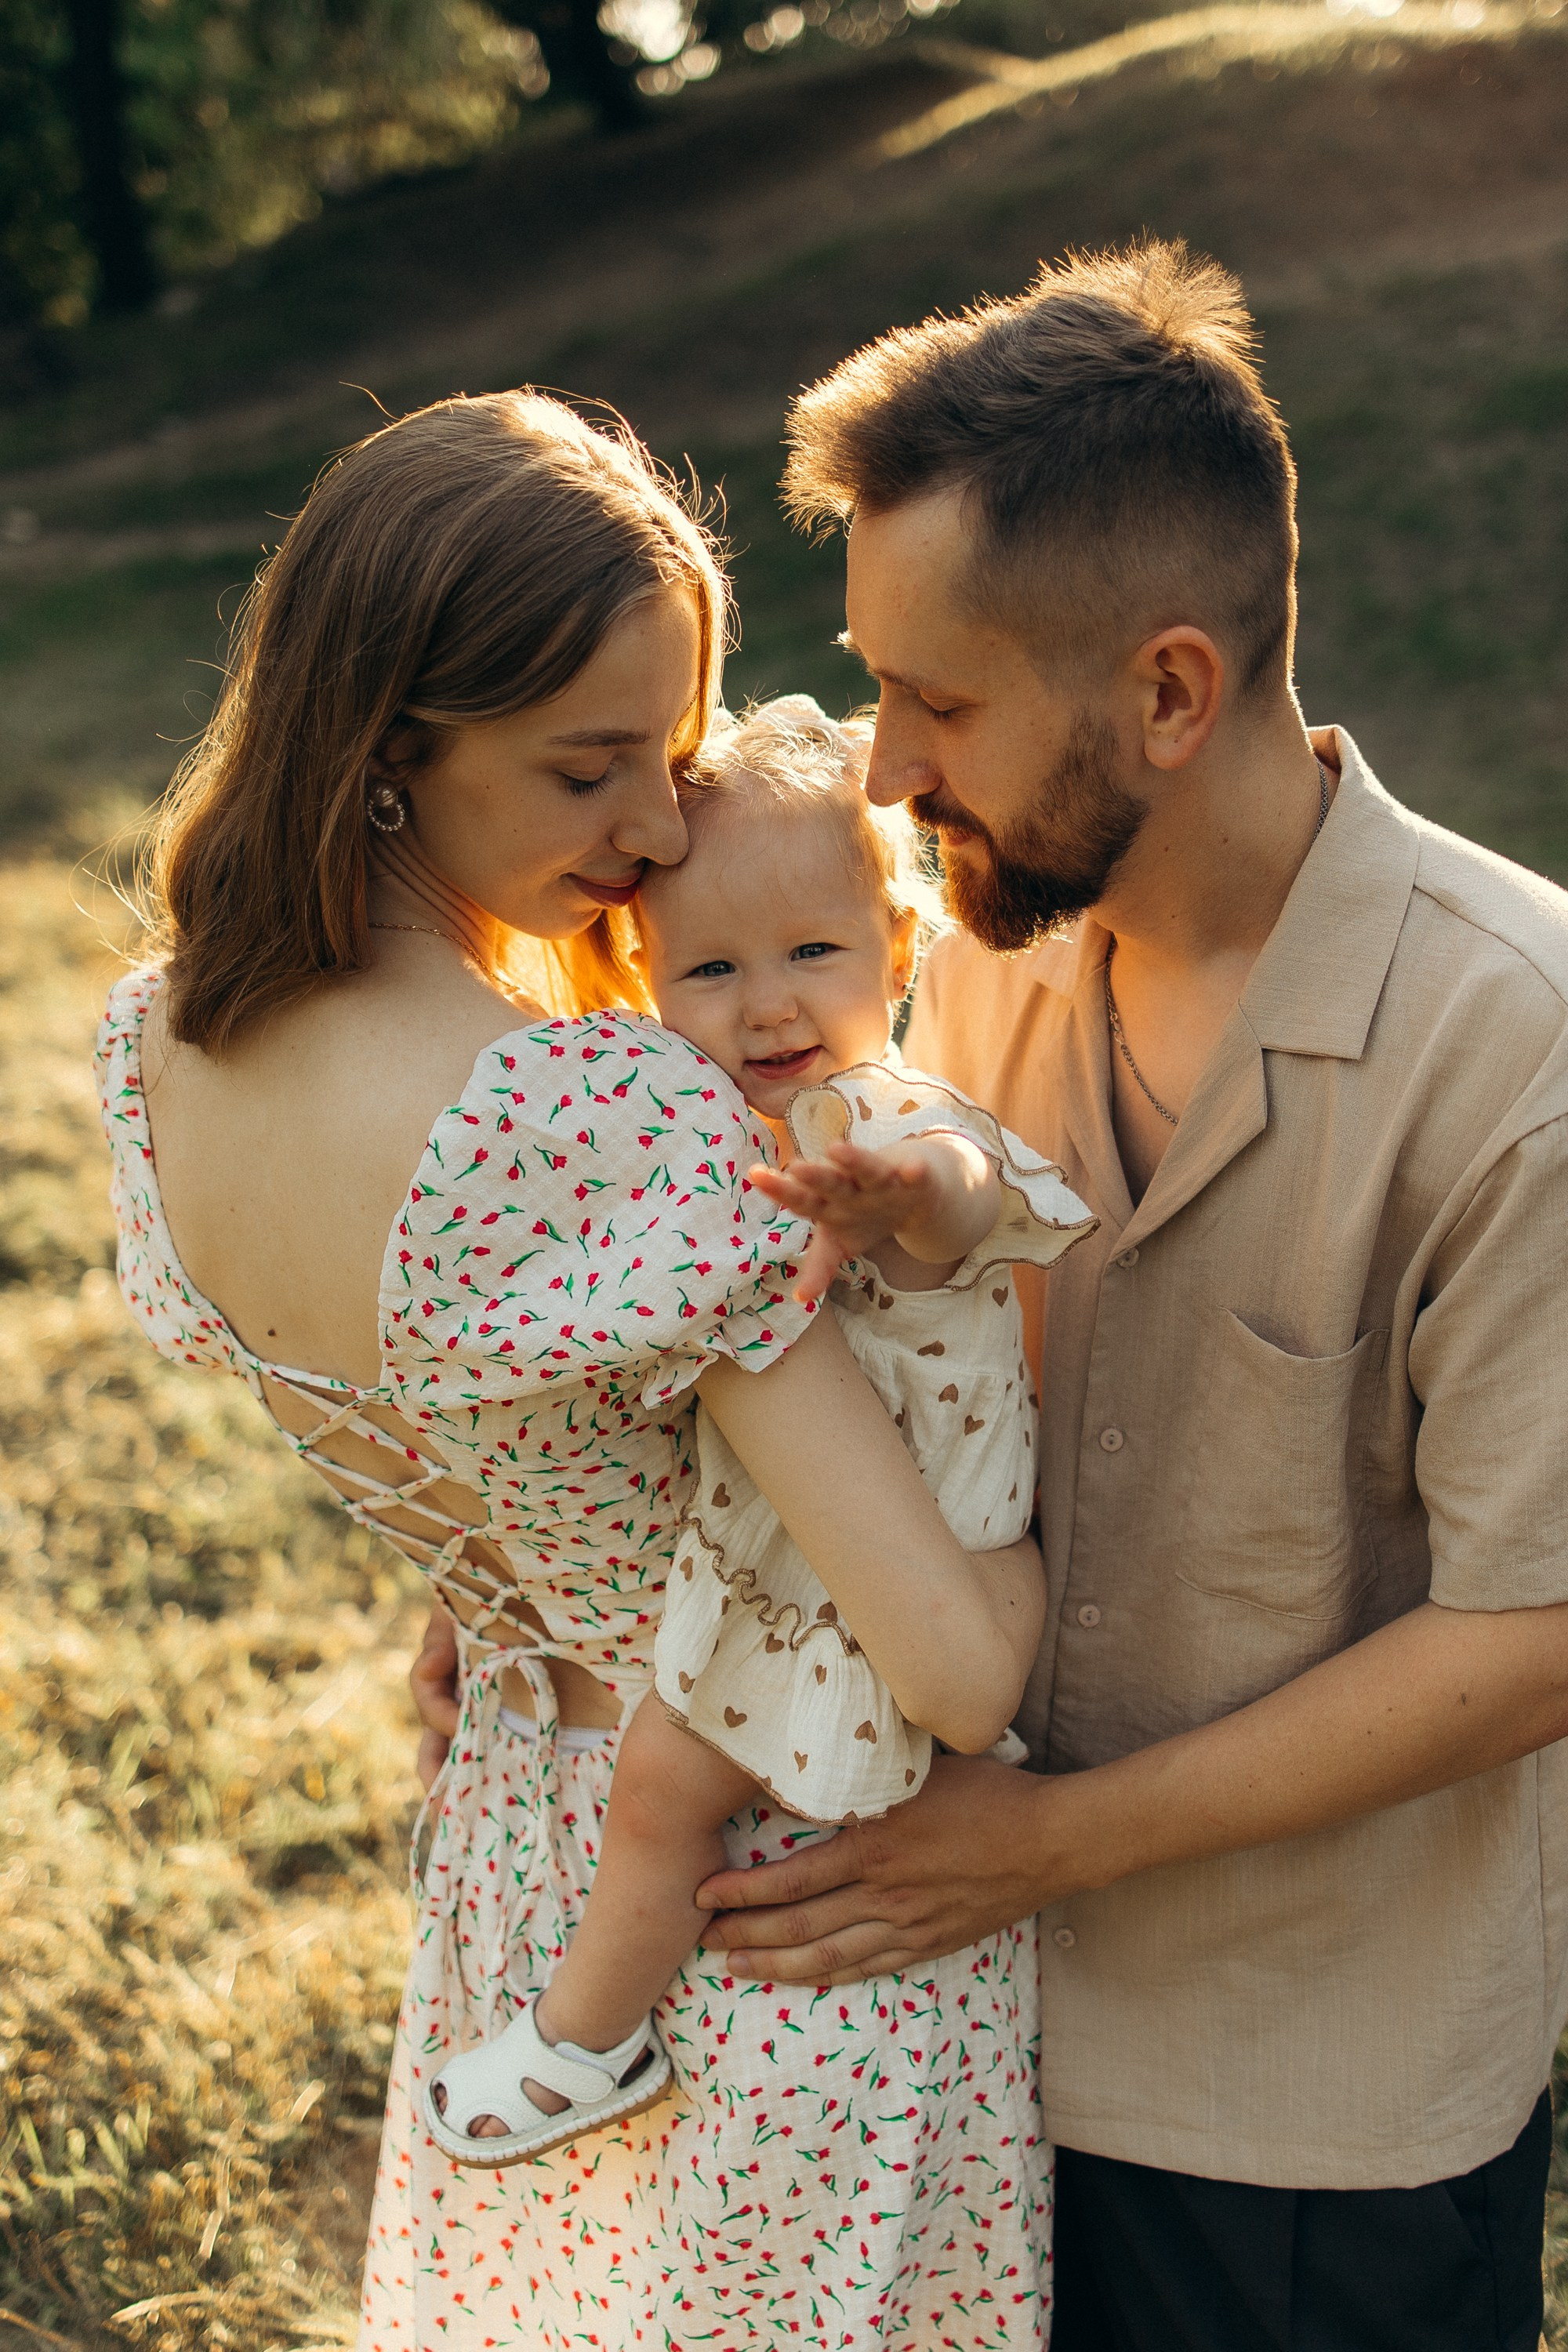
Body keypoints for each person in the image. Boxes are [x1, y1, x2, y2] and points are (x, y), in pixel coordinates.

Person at [673, 241, 1568, 2350]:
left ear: (1169, 692)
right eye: (877, 686)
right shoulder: (960, 953)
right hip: (945, 2049)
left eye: (942, 703)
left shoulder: (1518, 1048)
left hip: (1309, 2123)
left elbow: (1533, 1637)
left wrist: (1042, 1846)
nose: (884, 774)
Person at [96, 390, 1055, 2352]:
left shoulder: (162, 1046)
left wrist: (493, 1599)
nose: (656, 833)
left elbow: (491, 1448)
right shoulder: (583, 1108)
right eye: (586, 766)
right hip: (792, 1892)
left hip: (523, 1863)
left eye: (670, 757)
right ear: (389, 744)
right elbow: (953, 1671)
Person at [423, 693, 1095, 2169]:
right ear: (644, 977)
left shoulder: (881, 1118)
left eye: (813, 954)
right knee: (672, 1783)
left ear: (899, 952)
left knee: (665, 1783)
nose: (771, 1007)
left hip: (909, 1549)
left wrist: (902, 1199)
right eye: (715, 969)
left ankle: (585, 2038)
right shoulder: (703, 1133)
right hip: (821, 1541)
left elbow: (968, 1186)